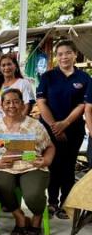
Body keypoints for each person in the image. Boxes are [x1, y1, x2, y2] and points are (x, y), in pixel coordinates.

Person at [0, 89, 55, 235]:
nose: (12, 106)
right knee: (1, 184)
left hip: (32, 166)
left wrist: (46, 160)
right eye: (8, 102)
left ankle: (37, 217)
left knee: (33, 194)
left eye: (16, 102)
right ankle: (19, 216)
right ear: (1, 106)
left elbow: (50, 146)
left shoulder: (35, 125)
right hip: (4, 167)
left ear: (22, 104)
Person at [36, 40, 90, 219]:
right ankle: (51, 202)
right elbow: (41, 102)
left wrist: (65, 124)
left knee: (68, 166)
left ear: (75, 54)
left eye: (67, 53)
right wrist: (55, 127)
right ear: (56, 57)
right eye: (60, 54)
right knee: (52, 165)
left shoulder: (84, 78)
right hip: (49, 130)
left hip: (73, 130)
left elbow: (84, 105)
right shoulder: (48, 77)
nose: (64, 57)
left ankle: (65, 203)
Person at [0, 53, 35, 122]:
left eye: (9, 64)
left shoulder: (23, 83)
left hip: (18, 124)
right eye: (3, 65)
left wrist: (16, 124)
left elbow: (28, 106)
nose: (6, 68)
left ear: (15, 66)